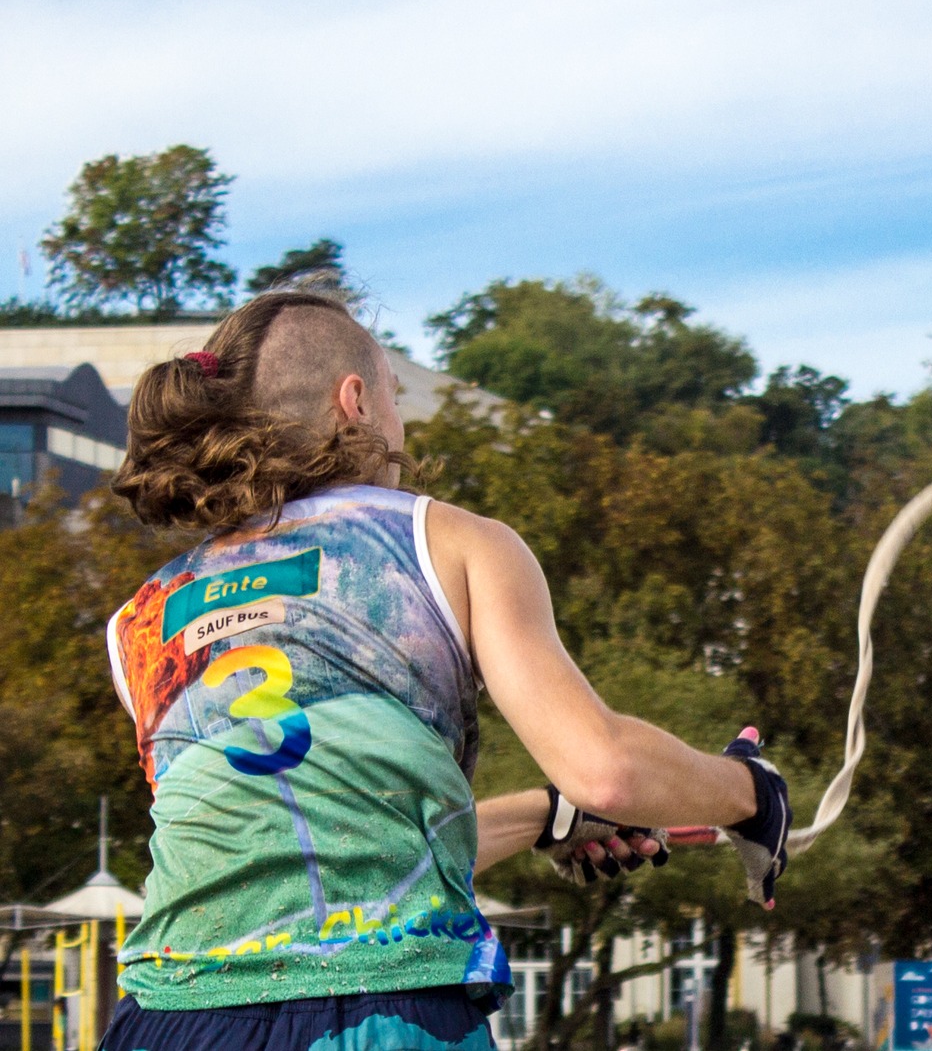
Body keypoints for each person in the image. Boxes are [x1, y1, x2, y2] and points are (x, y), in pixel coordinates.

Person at [98, 291, 792, 1050]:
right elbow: (607, 771)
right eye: (395, 397)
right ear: (355, 402)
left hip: (163, 1018)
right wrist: (751, 795)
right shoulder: (446, 541)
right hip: (377, 1013)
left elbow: (329, 852)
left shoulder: (141, 619)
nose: (401, 422)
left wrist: (551, 816)